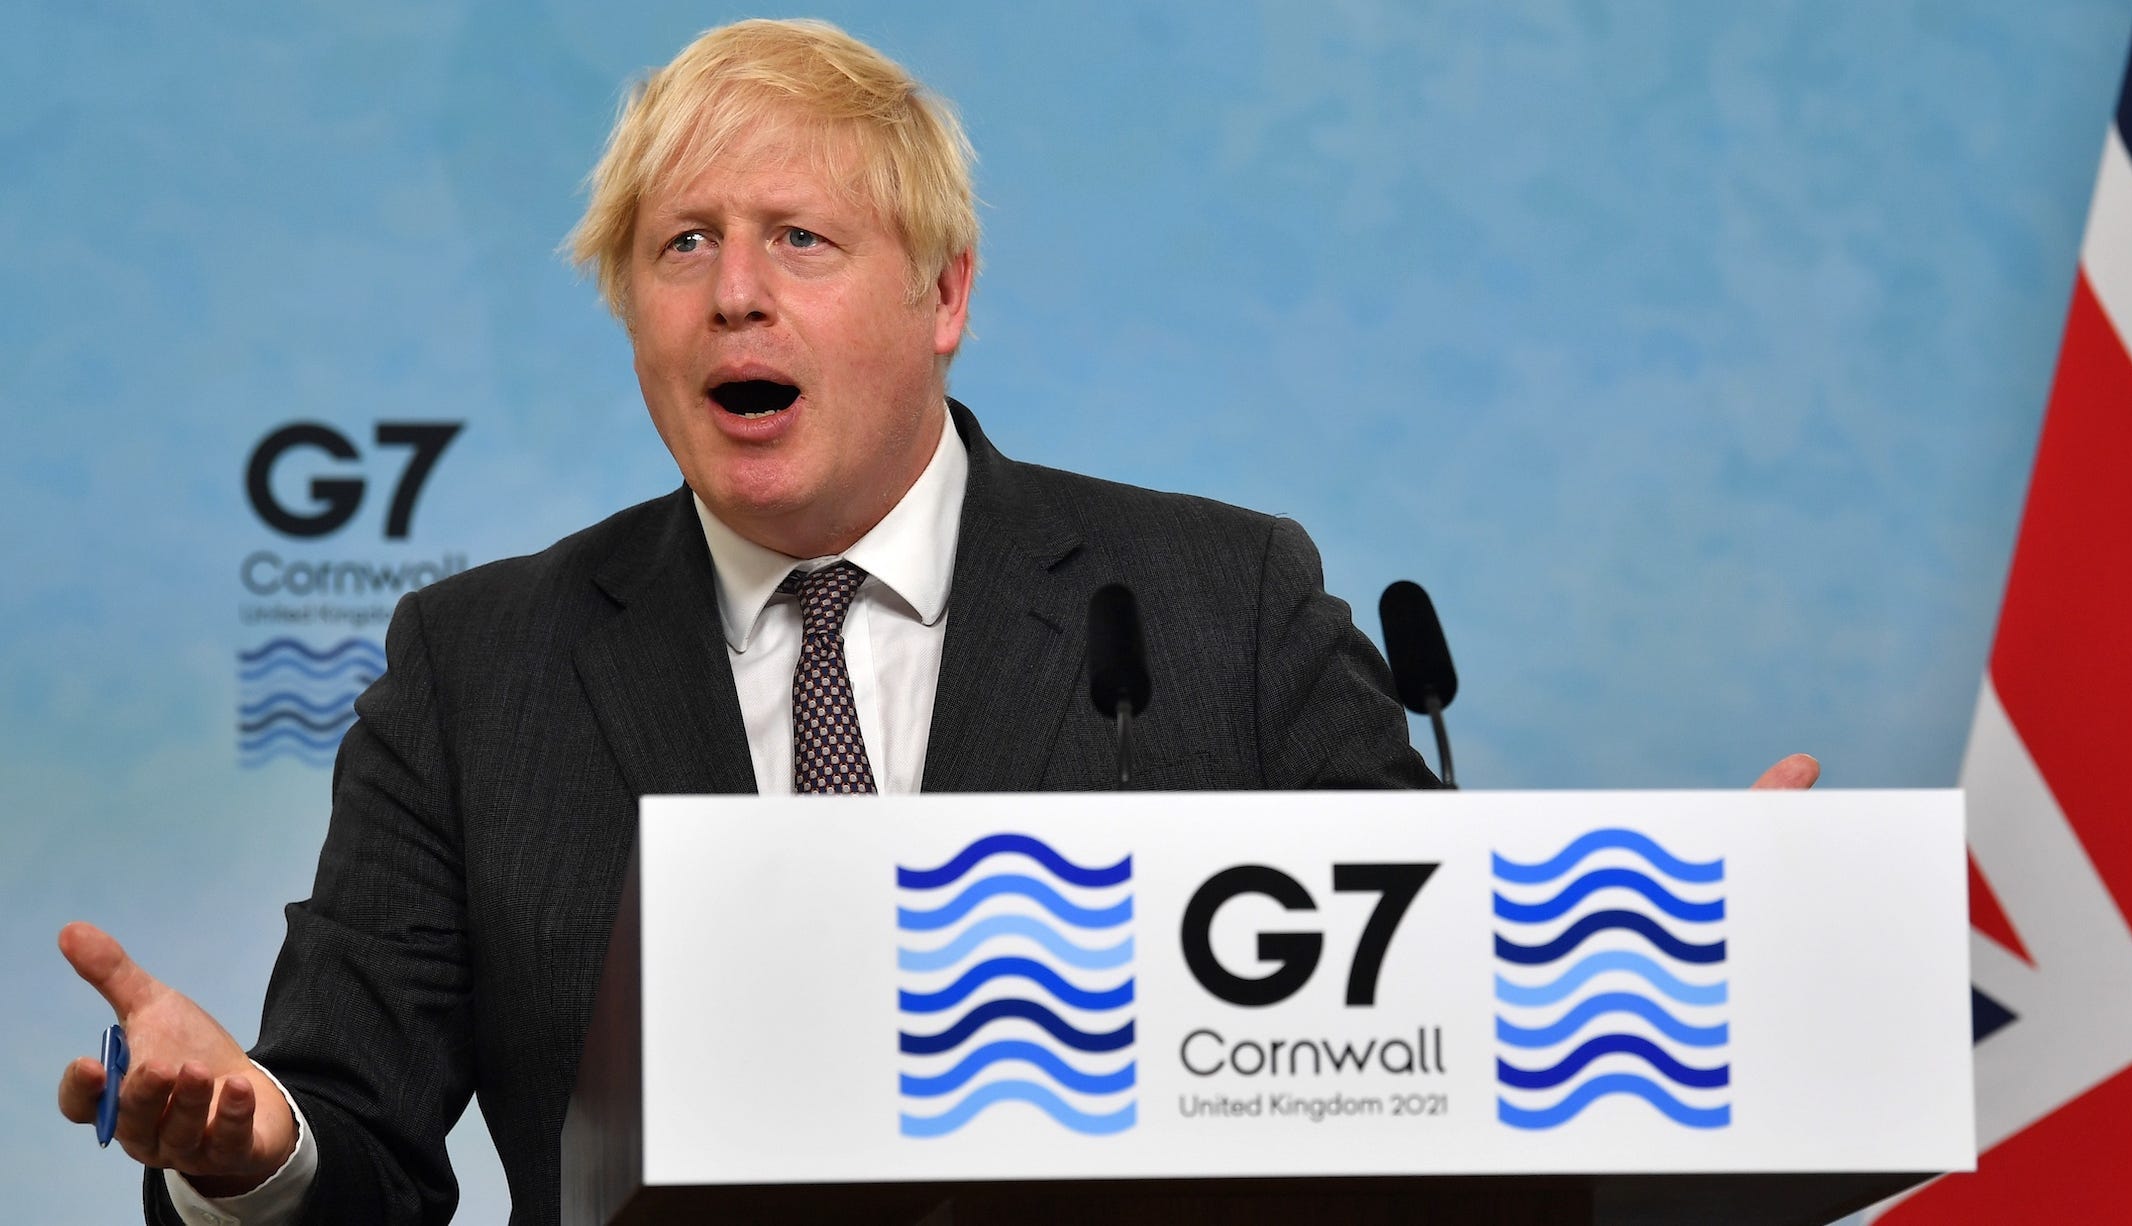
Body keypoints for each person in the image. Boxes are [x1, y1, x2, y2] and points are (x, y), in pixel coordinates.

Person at [55, 18, 1819, 1224]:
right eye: (681, 245)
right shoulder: (477, 668)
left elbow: (1426, 1035)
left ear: (946, 293)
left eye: (801, 238)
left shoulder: (1222, 599)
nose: (735, 287)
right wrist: (255, 1144)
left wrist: (1662, 971)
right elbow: (346, 1130)